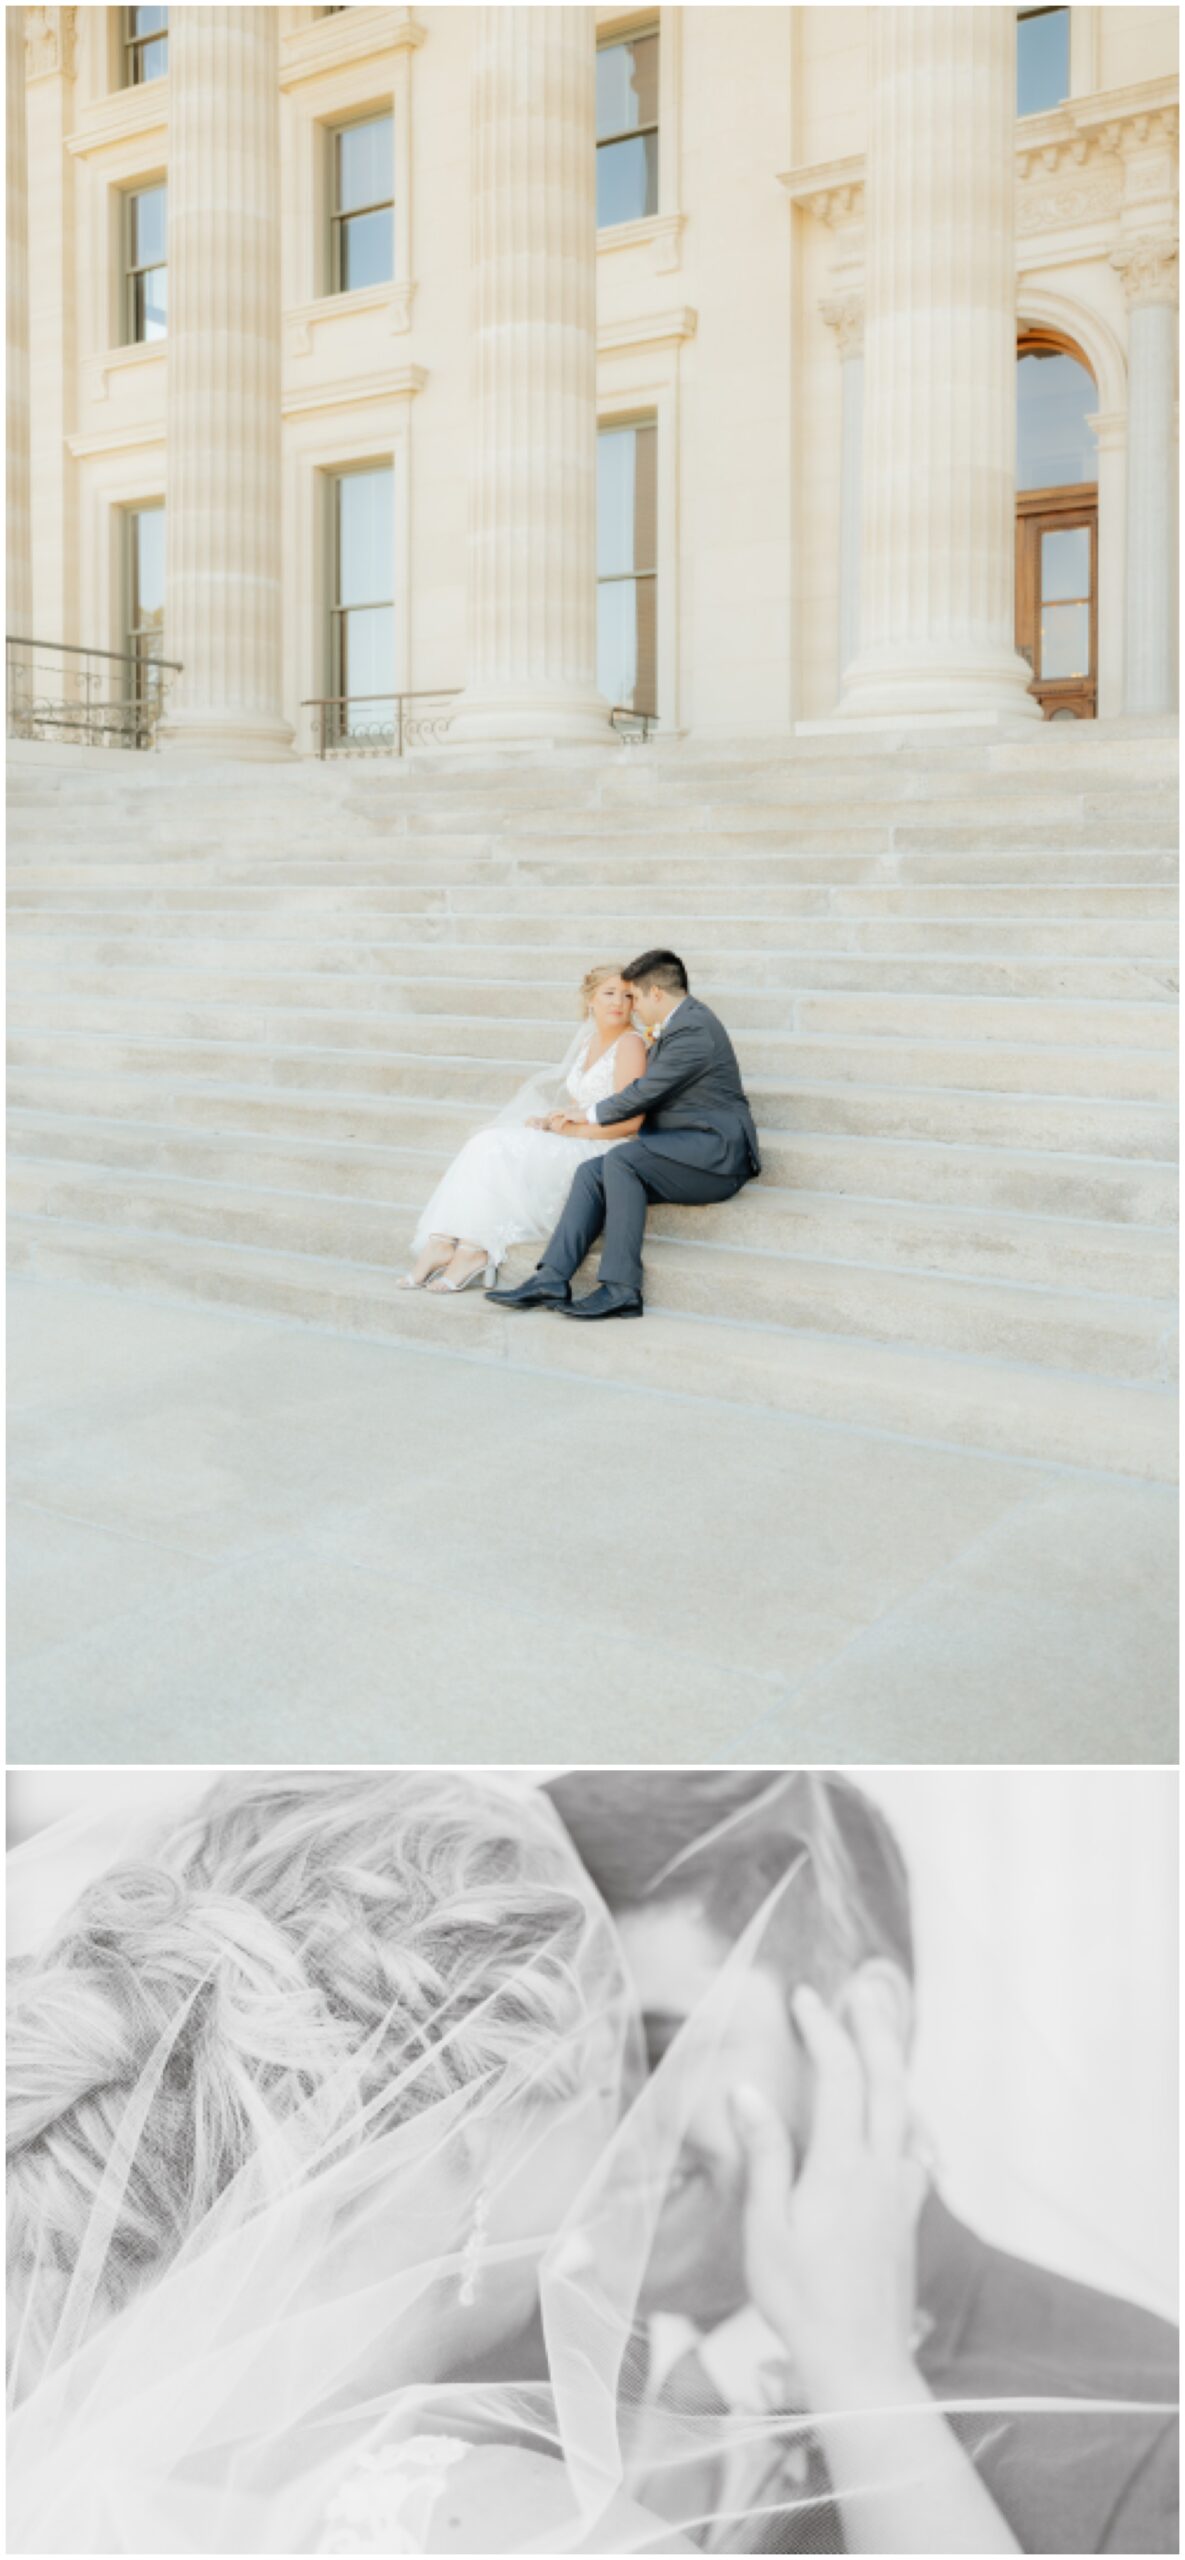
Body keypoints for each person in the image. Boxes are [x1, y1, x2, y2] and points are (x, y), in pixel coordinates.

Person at [6, 1770, 689, 2556]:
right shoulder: (504, 2528)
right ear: (477, 2129)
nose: (617, 2139)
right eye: (602, 2088)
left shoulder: (64, 2471)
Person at [546, 1770, 1180, 2556]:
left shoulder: (1152, 2427)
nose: (595, 2119)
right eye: (551, 2065)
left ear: (858, 2023)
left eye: (654, 2047)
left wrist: (862, 2380)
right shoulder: (491, 2382)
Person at [487, 951, 761, 1322]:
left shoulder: (693, 1029)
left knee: (620, 1161)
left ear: (656, 995)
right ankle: (551, 1278)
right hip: (681, 1148)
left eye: (635, 997)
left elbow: (643, 1093)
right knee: (591, 1172)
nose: (633, 1007)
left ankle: (622, 1288)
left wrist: (584, 1113)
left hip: (715, 1155)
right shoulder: (680, 1024)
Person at [399, 967, 647, 1293]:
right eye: (609, 993)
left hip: (603, 1146)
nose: (619, 1002)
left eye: (628, 995)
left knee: (498, 1148)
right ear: (590, 999)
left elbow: (630, 1122)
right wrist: (552, 1122)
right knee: (485, 1141)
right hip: (578, 1135)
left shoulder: (630, 1044)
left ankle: (472, 1252)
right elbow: (580, 1106)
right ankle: (443, 1242)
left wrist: (572, 1132)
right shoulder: (589, 1041)